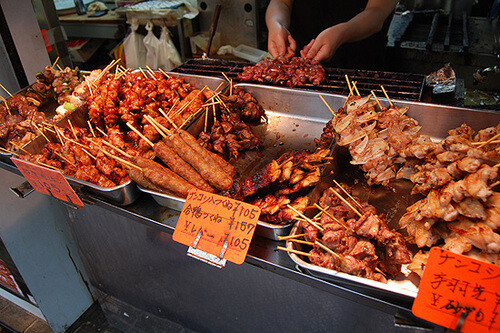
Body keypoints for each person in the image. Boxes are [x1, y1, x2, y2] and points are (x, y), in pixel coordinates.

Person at [265, 0, 399, 69]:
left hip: (359, 64)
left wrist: (342, 33)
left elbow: (377, 11)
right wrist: (276, 24)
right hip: (299, 61)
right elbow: (281, 2)